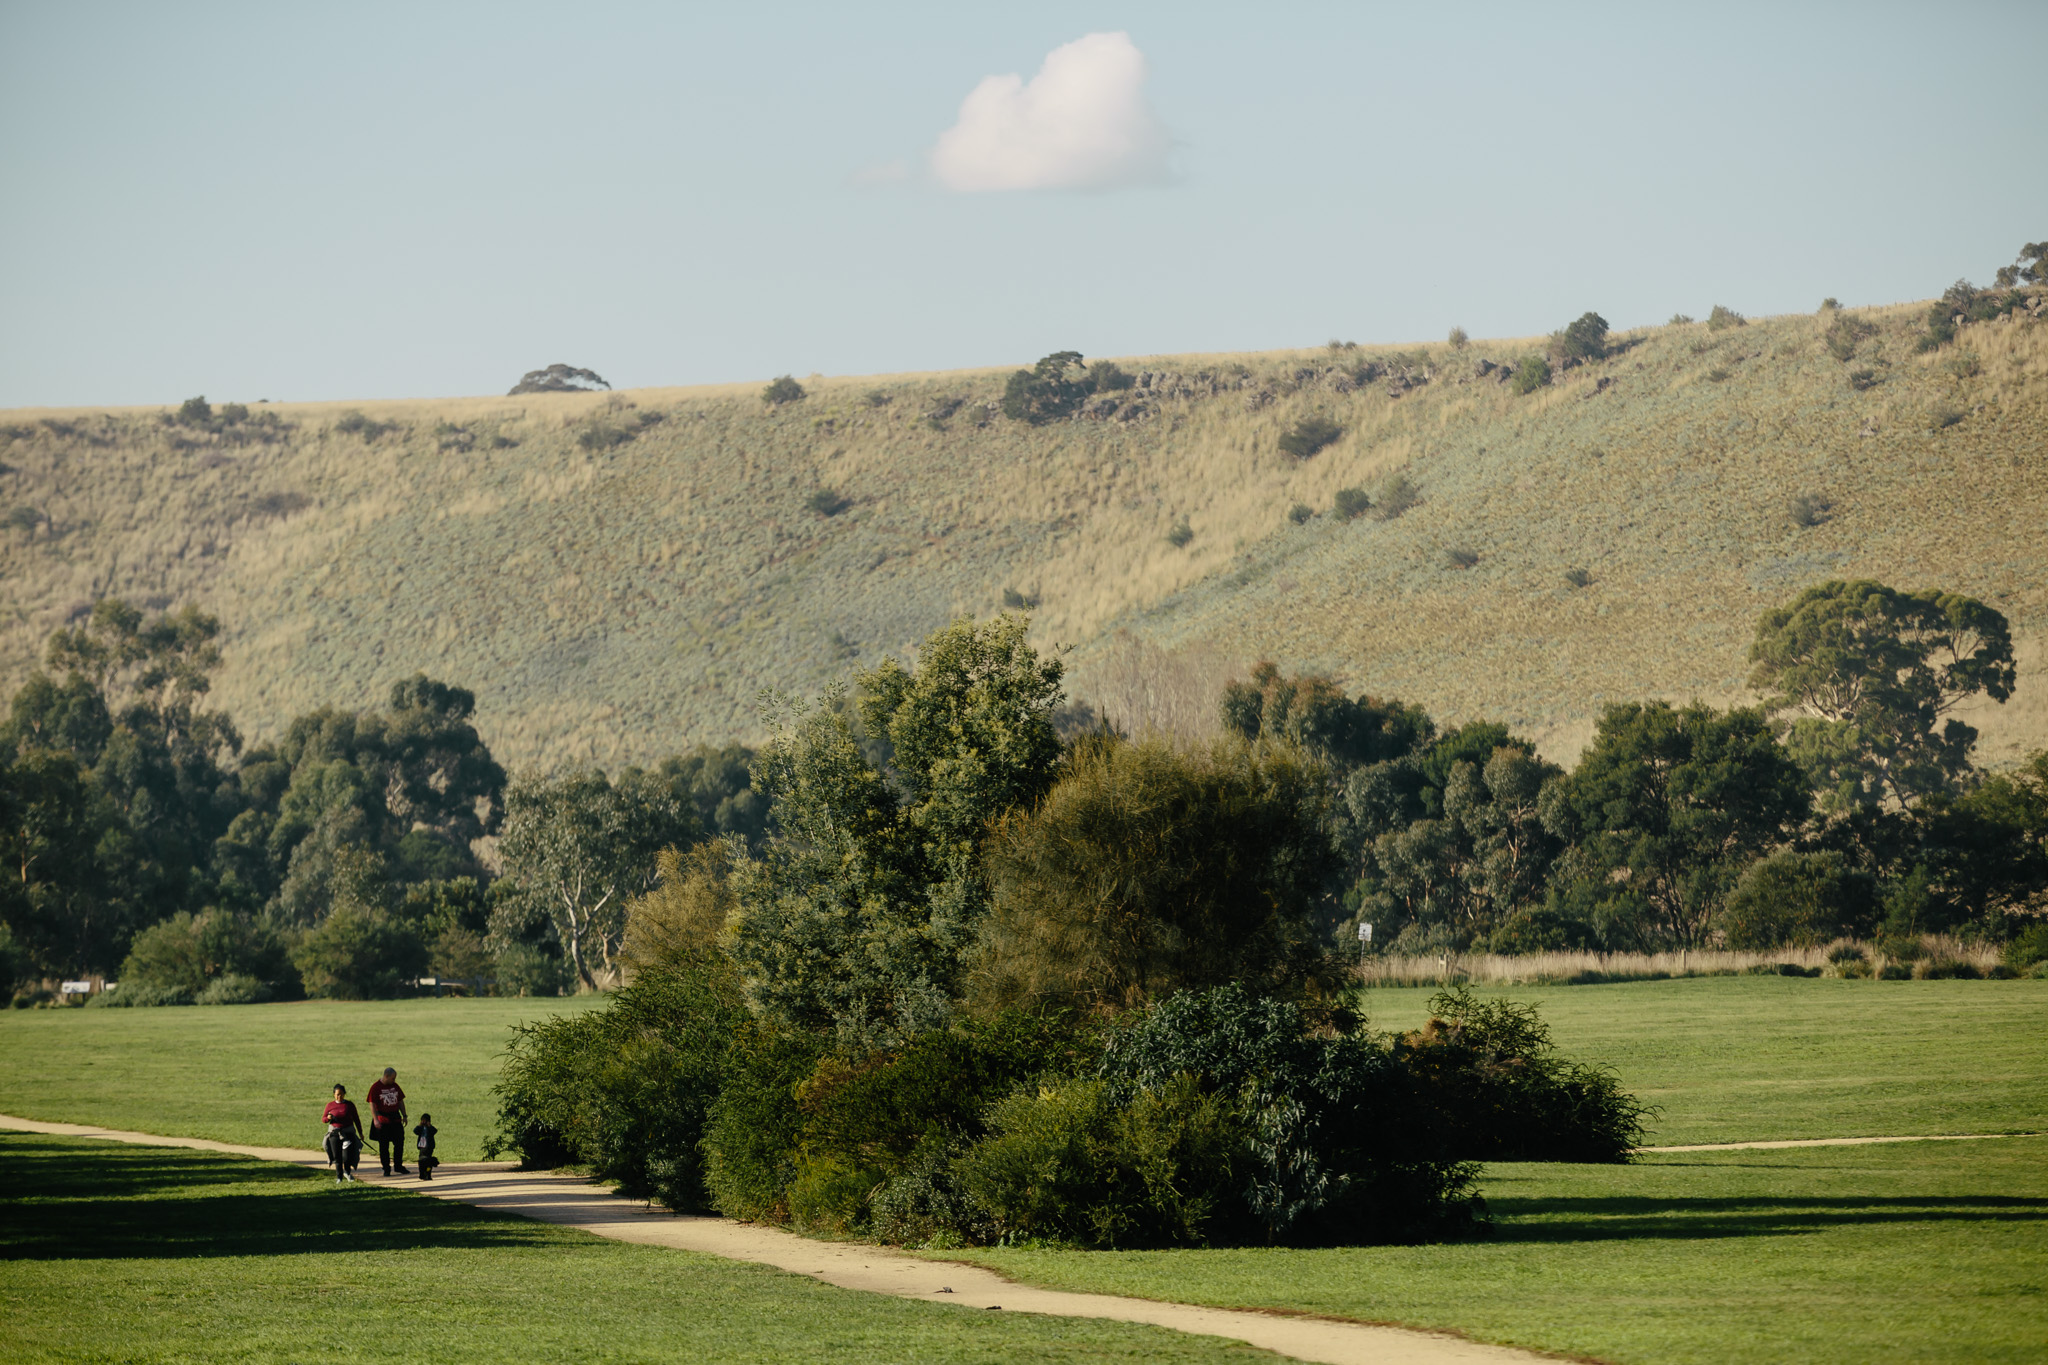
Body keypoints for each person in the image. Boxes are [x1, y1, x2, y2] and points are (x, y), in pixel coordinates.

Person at [366, 1067, 409, 1176]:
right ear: (386, 1076)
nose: (394, 1080)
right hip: (383, 1121)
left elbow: (400, 1101)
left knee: (399, 1143)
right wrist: (375, 1120)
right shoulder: (375, 1087)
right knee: (384, 1146)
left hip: (395, 1119)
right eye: (392, 1078)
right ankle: (386, 1168)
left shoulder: (395, 1086)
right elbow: (372, 1104)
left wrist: (404, 1115)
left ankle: (398, 1166)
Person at [322, 1084, 363, 1182]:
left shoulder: (349, 1105)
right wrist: (328, 1118)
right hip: (334, 1133)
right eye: (337, 1094)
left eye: (341, 1094)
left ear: (344, 1094)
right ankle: (339, 1177)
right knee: (337, 1157)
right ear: (334, 1094)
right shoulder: (330, 1105)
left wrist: (360, 1133)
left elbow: (356, 1119)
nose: (339, 1096)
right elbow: (323, 1119)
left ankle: (347, 1172)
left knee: (347, 1156)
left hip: (348, 1133)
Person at [413, 1112, 438, 1180]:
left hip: (429, 1147)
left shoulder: (430, 1128)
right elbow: (415, 1131)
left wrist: (429, 1126)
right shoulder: (420, 1128)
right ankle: (422, 1174)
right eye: (422, 1120)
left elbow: (434, 1131)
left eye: (425, 1120)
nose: (424, 1122)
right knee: (421, 1161)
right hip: (422, 1147)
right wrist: (420, 1125)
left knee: (428, 1162)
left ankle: (428, 1174)